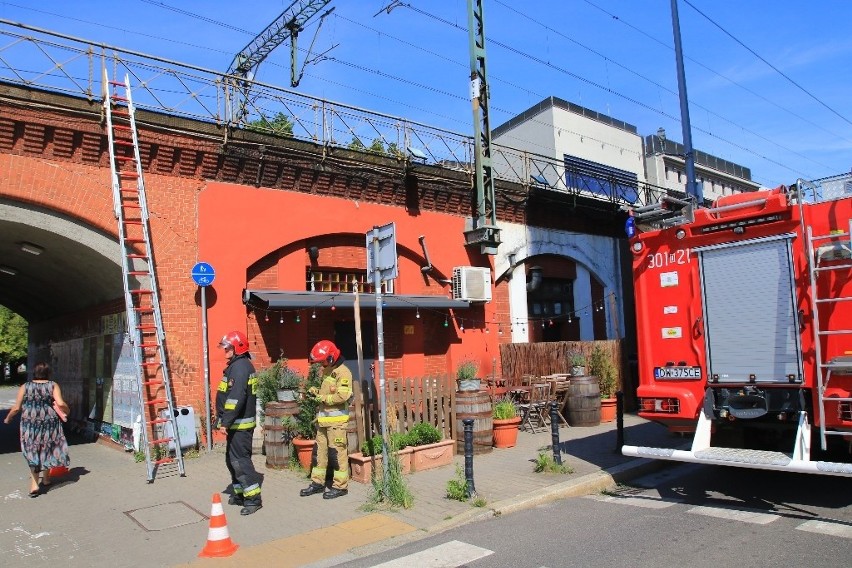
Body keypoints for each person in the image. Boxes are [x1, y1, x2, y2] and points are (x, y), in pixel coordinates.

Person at [3, 362, 70, 497]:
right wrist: (67, 410)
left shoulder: (25, 386)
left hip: (30, 424)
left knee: (32, 450)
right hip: (49, 421)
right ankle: (45, 479)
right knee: (47, 447)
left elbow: (16, 408)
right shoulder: (52, 385)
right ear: (48, 373)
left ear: (33, 373)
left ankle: (35, 484)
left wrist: (8, 418)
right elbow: (61, 403)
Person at [215, 330, 262, 515]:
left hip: (240, 424)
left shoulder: (240, 367)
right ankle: (240, 493)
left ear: (237, 348)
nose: (224, 350)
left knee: (240, 461)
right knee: (232, 460)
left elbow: (235, 398)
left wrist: (225, 421)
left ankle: (253, 499)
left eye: (227, 347)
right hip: (236, 423)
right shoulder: (238, 366)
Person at [300, 339, 353, 499]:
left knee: (337, 454)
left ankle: (340, 486)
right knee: (319, 454)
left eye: (322, 360)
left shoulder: (344, 372)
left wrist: (321, 398)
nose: (321, 364)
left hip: (337, 424)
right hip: (323, 422)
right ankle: (317, 483)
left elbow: (342, 396)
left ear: (331, 357)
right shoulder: (327, 370)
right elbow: (326, 392)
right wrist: (316, 391)